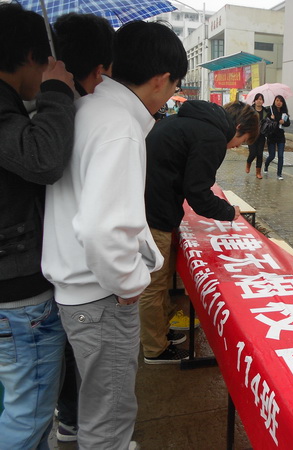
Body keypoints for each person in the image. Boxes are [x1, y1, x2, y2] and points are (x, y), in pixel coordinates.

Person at [42, 21, 187, 449]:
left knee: (97, 401)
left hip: (78, 288)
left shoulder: (86, 107)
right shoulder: (119, 125)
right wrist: (128, 283)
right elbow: (101, 228)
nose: (170, 95)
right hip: (100, 296)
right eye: (174, 85)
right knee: (110, 413)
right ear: (161, 79)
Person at [0, 4, 75, 449]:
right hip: (19, 298)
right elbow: (44, 160)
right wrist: (56, 92)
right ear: (32, 56)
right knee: (27, 417)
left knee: (18, 408)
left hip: (15, 294)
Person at [141, 100, 258, 364]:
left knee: (161, 279)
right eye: (241, 142)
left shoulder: (189, 122)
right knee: (154, 284)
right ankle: (155, 349)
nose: (234, 147)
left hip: (151, 206)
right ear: (238, 127)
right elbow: (198, 194)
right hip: (153, 213)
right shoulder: (212, 136)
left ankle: (161, 331)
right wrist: (229, 212)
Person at [52, 12, 116, 443]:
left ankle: (69, 421)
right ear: (101, 69)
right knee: (103, 396)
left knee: (64, 374)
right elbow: (98, 227)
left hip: (56, 279)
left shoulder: (52, 111)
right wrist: (127, 281)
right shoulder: (103, 120)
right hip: (87, 286)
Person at [264, 95, 290, 180]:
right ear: (274, 101)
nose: (279, 102)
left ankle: (279, 174)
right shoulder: (270, 110)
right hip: (271, 136)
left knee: (280, 156)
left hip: (280, 136)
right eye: (277, 100)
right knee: (272, 156)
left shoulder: (284, 112)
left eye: (280, 101)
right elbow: (266, 122)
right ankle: (266, 165)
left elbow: (288, 123)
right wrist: (271, 118)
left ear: (283, 103)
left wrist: (284, 122)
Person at [246, 93, 269, 179]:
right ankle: (248, 163)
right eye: (257, 99)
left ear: (263, 101)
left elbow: (269, 122)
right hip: (252, 135)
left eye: (261, 99)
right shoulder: (250, 110)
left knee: (259, 154)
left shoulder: (266, 111)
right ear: (255, 101)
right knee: (253, 153)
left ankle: (258, 172)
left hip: (261, 135)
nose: (259, 101)